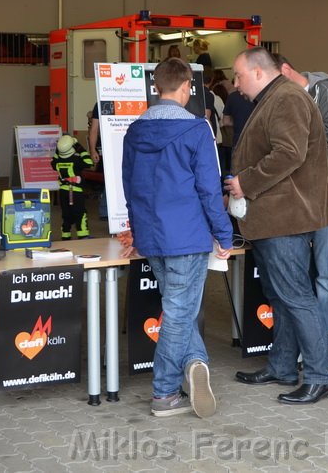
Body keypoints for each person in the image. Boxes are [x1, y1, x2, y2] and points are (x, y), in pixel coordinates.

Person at [226, 47, 328, 405]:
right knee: (281, 296)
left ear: (259, 72)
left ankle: (322, 376)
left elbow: (289, 153)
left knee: (297, 297)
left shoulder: (286, 98)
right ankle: (282, 365)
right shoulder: (276, 96)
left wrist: (247, 183)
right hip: (276, 217)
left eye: (238, 75)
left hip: (285, 217)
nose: (235, 83)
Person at [121, 57, 232, 418]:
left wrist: (136, 232)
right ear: (187, 87)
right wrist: (224, 232)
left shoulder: (134, 131)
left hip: (153, 237)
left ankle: (196, 362)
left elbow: (129, 187)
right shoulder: (197, 130)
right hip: (188, 236)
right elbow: (209, 190)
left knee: (178, 310)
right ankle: (165, 392)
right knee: (180, 313)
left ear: (157, 88)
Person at [275, 54, 328, 364]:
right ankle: (311, 338)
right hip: (309, 192)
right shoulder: (298, 97)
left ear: (286, 70)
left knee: (326, 269)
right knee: (309, 268)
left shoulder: (324, 91)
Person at [51, 134, 94, 239]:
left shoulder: (56, 162)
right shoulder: (76, 160)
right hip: (76, 192)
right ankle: (83, 235)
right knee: (80, 213)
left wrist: (58, 149)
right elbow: (89, 162)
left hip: (63, 192)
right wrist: (80, 148)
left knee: (66, 215)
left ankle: (65, 236)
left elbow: (54, 159)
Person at [86, 107, 107, 220]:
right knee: (109, 181)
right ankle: (105, 211)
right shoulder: (100, 103)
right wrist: (93, 150)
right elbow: (94, 130)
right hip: (107, 147)